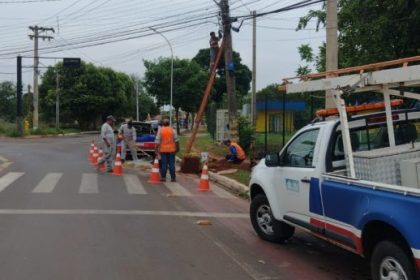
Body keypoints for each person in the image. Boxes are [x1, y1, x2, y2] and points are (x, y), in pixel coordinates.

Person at [155, 118, 179, 182]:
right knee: (171, 164)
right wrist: (177, 148)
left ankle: (163, 177)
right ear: (169, 124)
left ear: (163, 124)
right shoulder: (173, 130)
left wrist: (156, 150)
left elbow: (157, 141)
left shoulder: (160, 131)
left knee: (164, 164)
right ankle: (173, 178)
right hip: (172, 150)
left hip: (163, 150)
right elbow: (176, 141)